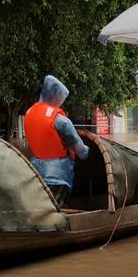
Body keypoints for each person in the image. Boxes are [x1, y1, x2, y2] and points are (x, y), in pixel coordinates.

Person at [24, 75, 90, 207]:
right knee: (54, 207)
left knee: (41, 204)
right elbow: (81, 152)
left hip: (36, 172)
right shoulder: (60, 120)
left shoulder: (29, 113)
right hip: (58, 175)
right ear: (56, 96)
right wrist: (87, 150)